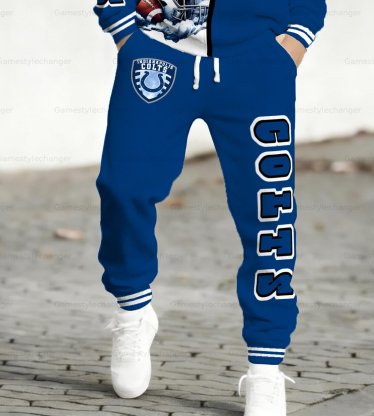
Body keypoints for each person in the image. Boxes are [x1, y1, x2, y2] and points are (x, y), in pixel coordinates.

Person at [94, 1, 326, 414]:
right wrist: (123, 29)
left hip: (257, 63)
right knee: (123, 186)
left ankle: (266, 366)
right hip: (156, 50)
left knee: (268, 211)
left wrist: (295, 40)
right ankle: (132, 311)